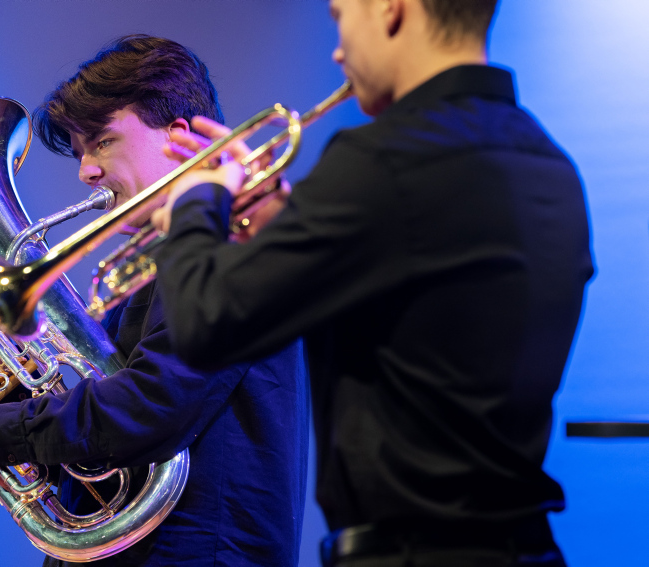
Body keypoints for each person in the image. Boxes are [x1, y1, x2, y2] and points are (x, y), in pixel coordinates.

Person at [151, 1, 593, 566]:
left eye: (340, 16)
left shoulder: (381, 160)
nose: (337, 49)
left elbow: (202, 326)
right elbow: (426, 306)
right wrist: (285, 223)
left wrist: (195, 207)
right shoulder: (548, 164)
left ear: (390, 9)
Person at [0, 35, 309, 567]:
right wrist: (3, 392)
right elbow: (103, 468)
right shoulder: (143, 276)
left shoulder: (233, 247)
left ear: (178, 137)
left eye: (102, 141)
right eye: (79, 152)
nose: (86, 171)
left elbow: (152, 407)